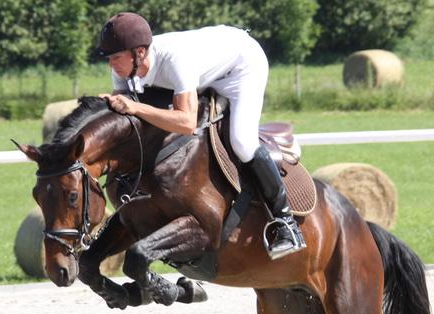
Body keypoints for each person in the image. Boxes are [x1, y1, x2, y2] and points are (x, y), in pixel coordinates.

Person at [98, 12, 306, 260]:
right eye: (109, 58)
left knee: (242, 141)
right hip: (206, 72)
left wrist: (135, 107)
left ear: (139, 52)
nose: (112, 64)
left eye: (116, 57)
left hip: (241, 68)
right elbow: (125, 115)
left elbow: (186, 122)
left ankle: (286, 223)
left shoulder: (175, 60)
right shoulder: (125, 67)